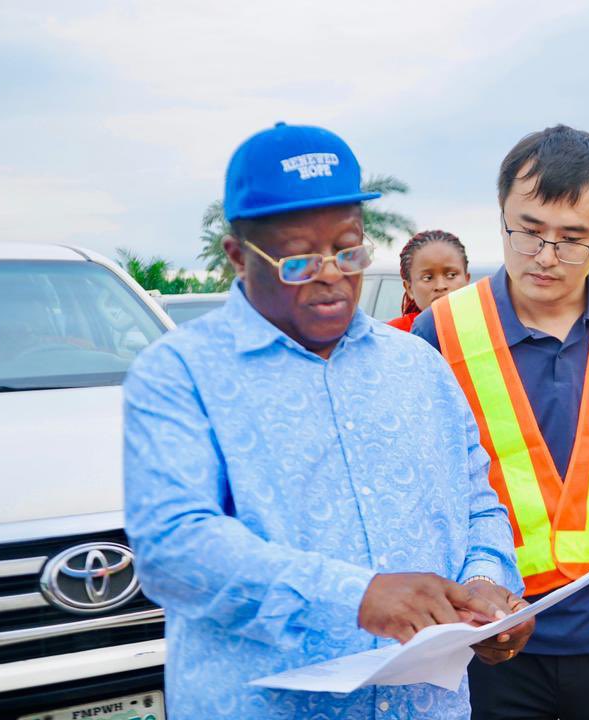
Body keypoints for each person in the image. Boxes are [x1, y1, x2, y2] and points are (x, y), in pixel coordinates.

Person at [124, 122, 533, 719]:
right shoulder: (180, 374)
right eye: (298, 258)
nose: (332, 275)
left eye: (348, 249)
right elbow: (174, 546)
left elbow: (477, 504)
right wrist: (357, 596)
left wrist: (487, 588)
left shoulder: (419, 366)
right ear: (238, 256)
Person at [412, 124, 589, 720]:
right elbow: (431, 487)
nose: (544, 256)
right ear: (501, 216)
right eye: (528, 231)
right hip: (491, 638)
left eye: (572, 239)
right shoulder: (442, 329)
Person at [387, 230, 471, 332]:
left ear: (467, 280)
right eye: (427, 278)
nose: (440, 286)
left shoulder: (485, 324)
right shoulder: (391, 334)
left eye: (451, 275)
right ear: (409, 289)